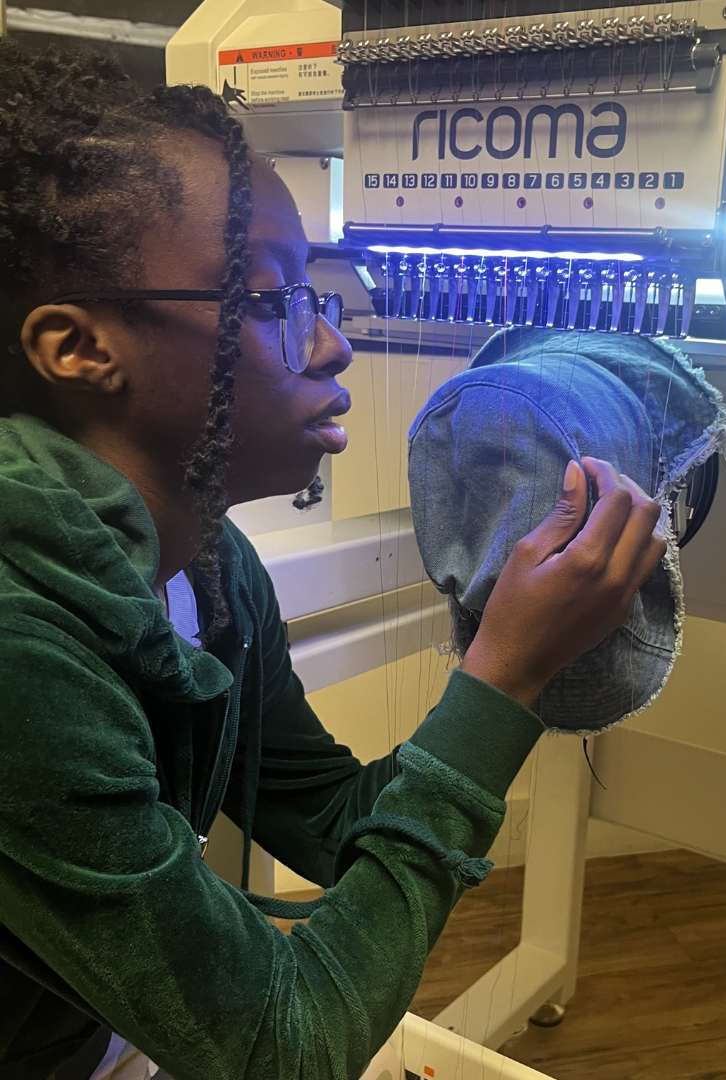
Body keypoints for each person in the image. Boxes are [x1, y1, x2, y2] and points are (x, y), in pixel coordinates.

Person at [0, 39, 666, 1080]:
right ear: (80, 349)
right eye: (276, 301)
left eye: (321, 293)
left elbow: (326, 820)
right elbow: (287, 1049)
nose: (332, 344)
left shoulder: (205, 567)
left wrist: (511, 661)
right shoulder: (21, 656)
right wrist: (504, 678)